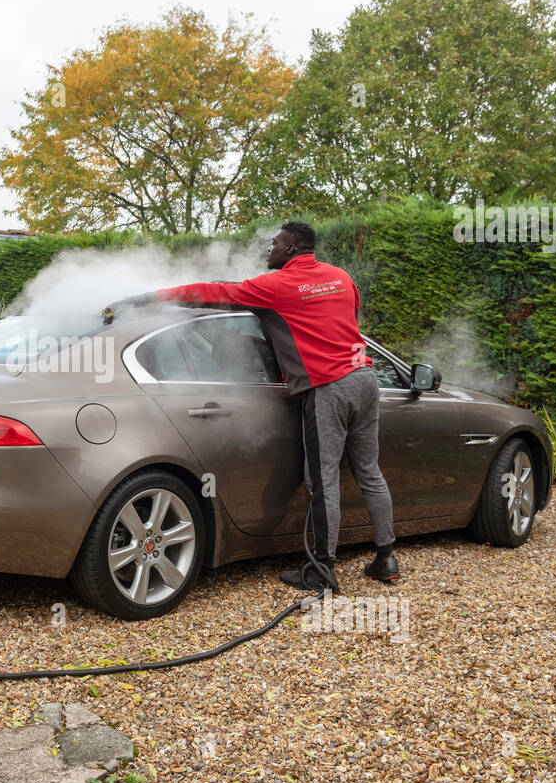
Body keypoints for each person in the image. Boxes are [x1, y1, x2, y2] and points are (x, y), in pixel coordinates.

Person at [105, 221, 399, 591]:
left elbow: (211, 293)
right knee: (369, 471)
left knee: (323, 481)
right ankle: (387, 558)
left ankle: (322, 571)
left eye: (274, 243)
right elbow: (345, 326)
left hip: (326, 388)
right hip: (364, 380)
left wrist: (146, 298)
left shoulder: (277, 286)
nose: (268, 249)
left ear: (291, 247)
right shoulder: (341, 278)